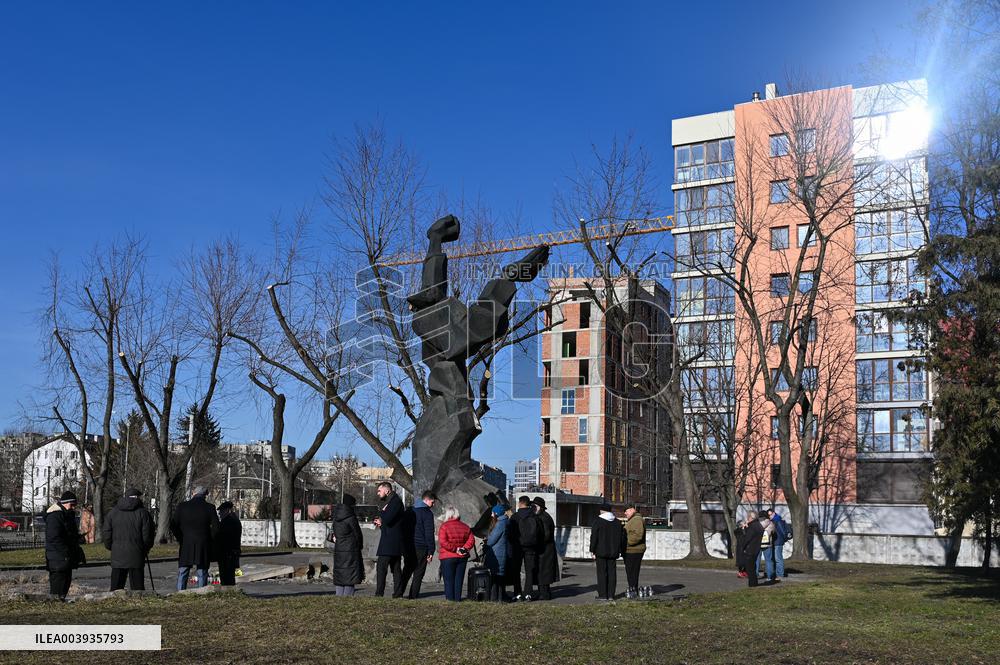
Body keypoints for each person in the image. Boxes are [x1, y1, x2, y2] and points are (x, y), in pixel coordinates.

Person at [102, 487, 154, 591]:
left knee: (116, 588)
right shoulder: (143, 513)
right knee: (137, 589)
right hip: (137, 553)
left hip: (118, 553)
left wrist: (111, 547)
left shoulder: (112, 513)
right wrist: (145, 548)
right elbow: (148, 535)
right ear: (137, 498)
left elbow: (107, 533)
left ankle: (115, 600)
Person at [170, 486, 220, 591]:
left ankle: (180, 592)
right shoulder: (210, 507)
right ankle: (201, 592)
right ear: (205, 495)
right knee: (202, 571)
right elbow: (216, 527)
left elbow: (173, 525)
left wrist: (180, 538)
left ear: (194, 493)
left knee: (183, 570)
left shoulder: (182, 506)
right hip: (203, 543)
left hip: (186, 542)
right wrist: (209, 538)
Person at [45, 491, 85, 600]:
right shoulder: (55, 516)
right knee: (57, 589)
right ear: (65, 503)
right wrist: (67, 547)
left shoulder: (67, 514)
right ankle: (56, 604)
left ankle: (60, 602)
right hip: (58, 556)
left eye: (74, 505)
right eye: (72, 505)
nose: (73, 507)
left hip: (64, 556)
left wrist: (77, 538)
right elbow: (54, 537)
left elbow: (68, 533)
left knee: (65, 585)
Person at [402, 490, 437, 599]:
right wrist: (431, 550)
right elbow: (429, 533)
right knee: (418, 573)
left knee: (406, 571)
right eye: (432, 502)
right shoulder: (427, 513)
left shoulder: (409, 510)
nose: (433, 505)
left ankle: (398, 593)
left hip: (409, 546)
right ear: (426, 500)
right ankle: (413, 596)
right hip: (421, 547)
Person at [374, 481, 405, 597]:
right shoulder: (393, 501)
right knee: (395, 568)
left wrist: (382, 516)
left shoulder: (395, 501)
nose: (378, 493)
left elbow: (388, 518)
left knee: (382, 567)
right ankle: (398, 593)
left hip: (390, 542)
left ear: (387, 490)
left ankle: (379, 593)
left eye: (379, 490)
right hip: (393, 541)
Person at [437, 505, 475, 602]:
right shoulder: (465, 526)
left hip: (447, 556)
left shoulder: (444, 526)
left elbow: (443, 542)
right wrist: (463, 548)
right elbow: (471, 540)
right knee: (459, 580)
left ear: (448, 515)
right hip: (462, 557)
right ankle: (457, 599)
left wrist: (455, 549)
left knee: (448, 580)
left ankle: (450, 600)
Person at [508, 495, 541, 601]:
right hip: (531, 547)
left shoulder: (515, 517)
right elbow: (539, 532)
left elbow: (510, 533)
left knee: (516, 570)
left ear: (520, 503)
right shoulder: (534, 516)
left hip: (517, 547)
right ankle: (528, 594)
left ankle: (517, 593)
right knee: (529, 571)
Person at [590, 503, 625, 601]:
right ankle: (611, 595)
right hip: (613, 551)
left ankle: (603, 595)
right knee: (612, 573)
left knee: (602, 573)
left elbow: (594, 537)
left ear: (602, 510)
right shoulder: (617, 522)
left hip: (600, 551)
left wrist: (592, 550)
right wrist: (620, 550)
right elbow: (621, 538)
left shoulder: (598, 521)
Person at [332, 494, 364, 596]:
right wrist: (360, 545)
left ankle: (339, 596)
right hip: (351, 549)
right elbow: (357, 534)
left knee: (340, 573)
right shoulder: (351, 517)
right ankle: (347, 597)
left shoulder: (336, 516)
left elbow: (335, 532)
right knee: (350, 574)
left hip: (339, 548)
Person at [532, 497, 558, 601]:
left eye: (535, 506)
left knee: (543, 572)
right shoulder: (544, 516)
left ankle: (544, 594)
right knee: (543, 572)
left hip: (545, 549)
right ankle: (543, 593)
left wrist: (536, 542)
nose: (533, 508)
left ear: (540, 507)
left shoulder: (543, 518)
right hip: (546, 549)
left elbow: (546, 535)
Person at [484, 504, 509, 602]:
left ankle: (495, 598)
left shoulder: (500, 524)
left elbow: (492, 540)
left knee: (496, 576)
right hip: (501, 551)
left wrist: (487, 540)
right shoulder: (505, 522)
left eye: (493, 513)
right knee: (499, 576)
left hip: (497, 552)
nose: (491, 515)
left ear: (497, 513)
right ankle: (500, 597)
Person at [215, 501, 242, 586]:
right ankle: (229, 590)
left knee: (226, 576)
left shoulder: (228, 521)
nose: (219, 514)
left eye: (221, 511)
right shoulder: (234, 520)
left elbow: (222, 537)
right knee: (229, 575)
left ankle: (228, 590)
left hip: (227, 552)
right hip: (231, 552)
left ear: (227, 510)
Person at [623, 503, 646, 598]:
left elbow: (637, 535)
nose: (625, 513)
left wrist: (625, 543)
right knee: (631, 573)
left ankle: (633, 591)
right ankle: (633, 590)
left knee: (632, 573)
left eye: (626, 511)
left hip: (634, 550)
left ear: (632, 509)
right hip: (632, 550)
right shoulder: (633, 519)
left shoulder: (637, 519)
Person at [740, 511, 767, 587]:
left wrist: (743, 530)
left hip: (750, 549)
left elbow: (747, 538)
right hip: (756, 548)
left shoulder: (752, 526)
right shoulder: (759, 525)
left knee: (750, 568)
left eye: (748, 517)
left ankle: (752, 584)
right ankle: (754, 583)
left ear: (750, 518)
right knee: (753, 567)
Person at [768, 508, 788, 580]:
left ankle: (780, 575)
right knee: (775, 558)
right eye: (768, 515)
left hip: (778, 542)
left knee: (778, 559)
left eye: (770, 515)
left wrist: (783, 540)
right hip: (774, 542)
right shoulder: (773, 521)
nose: (769, 516)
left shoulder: (778, 520)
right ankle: (776, 574)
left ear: (774, 513)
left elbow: (783, 532)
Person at [758, 510, 777, 582]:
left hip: (758, 543)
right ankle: (769, 577)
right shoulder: (771, 523)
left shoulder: (757, 523)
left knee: (757, 560)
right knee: (768, 561)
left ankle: (755, 575)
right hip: (768, 544)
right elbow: (773, 532)